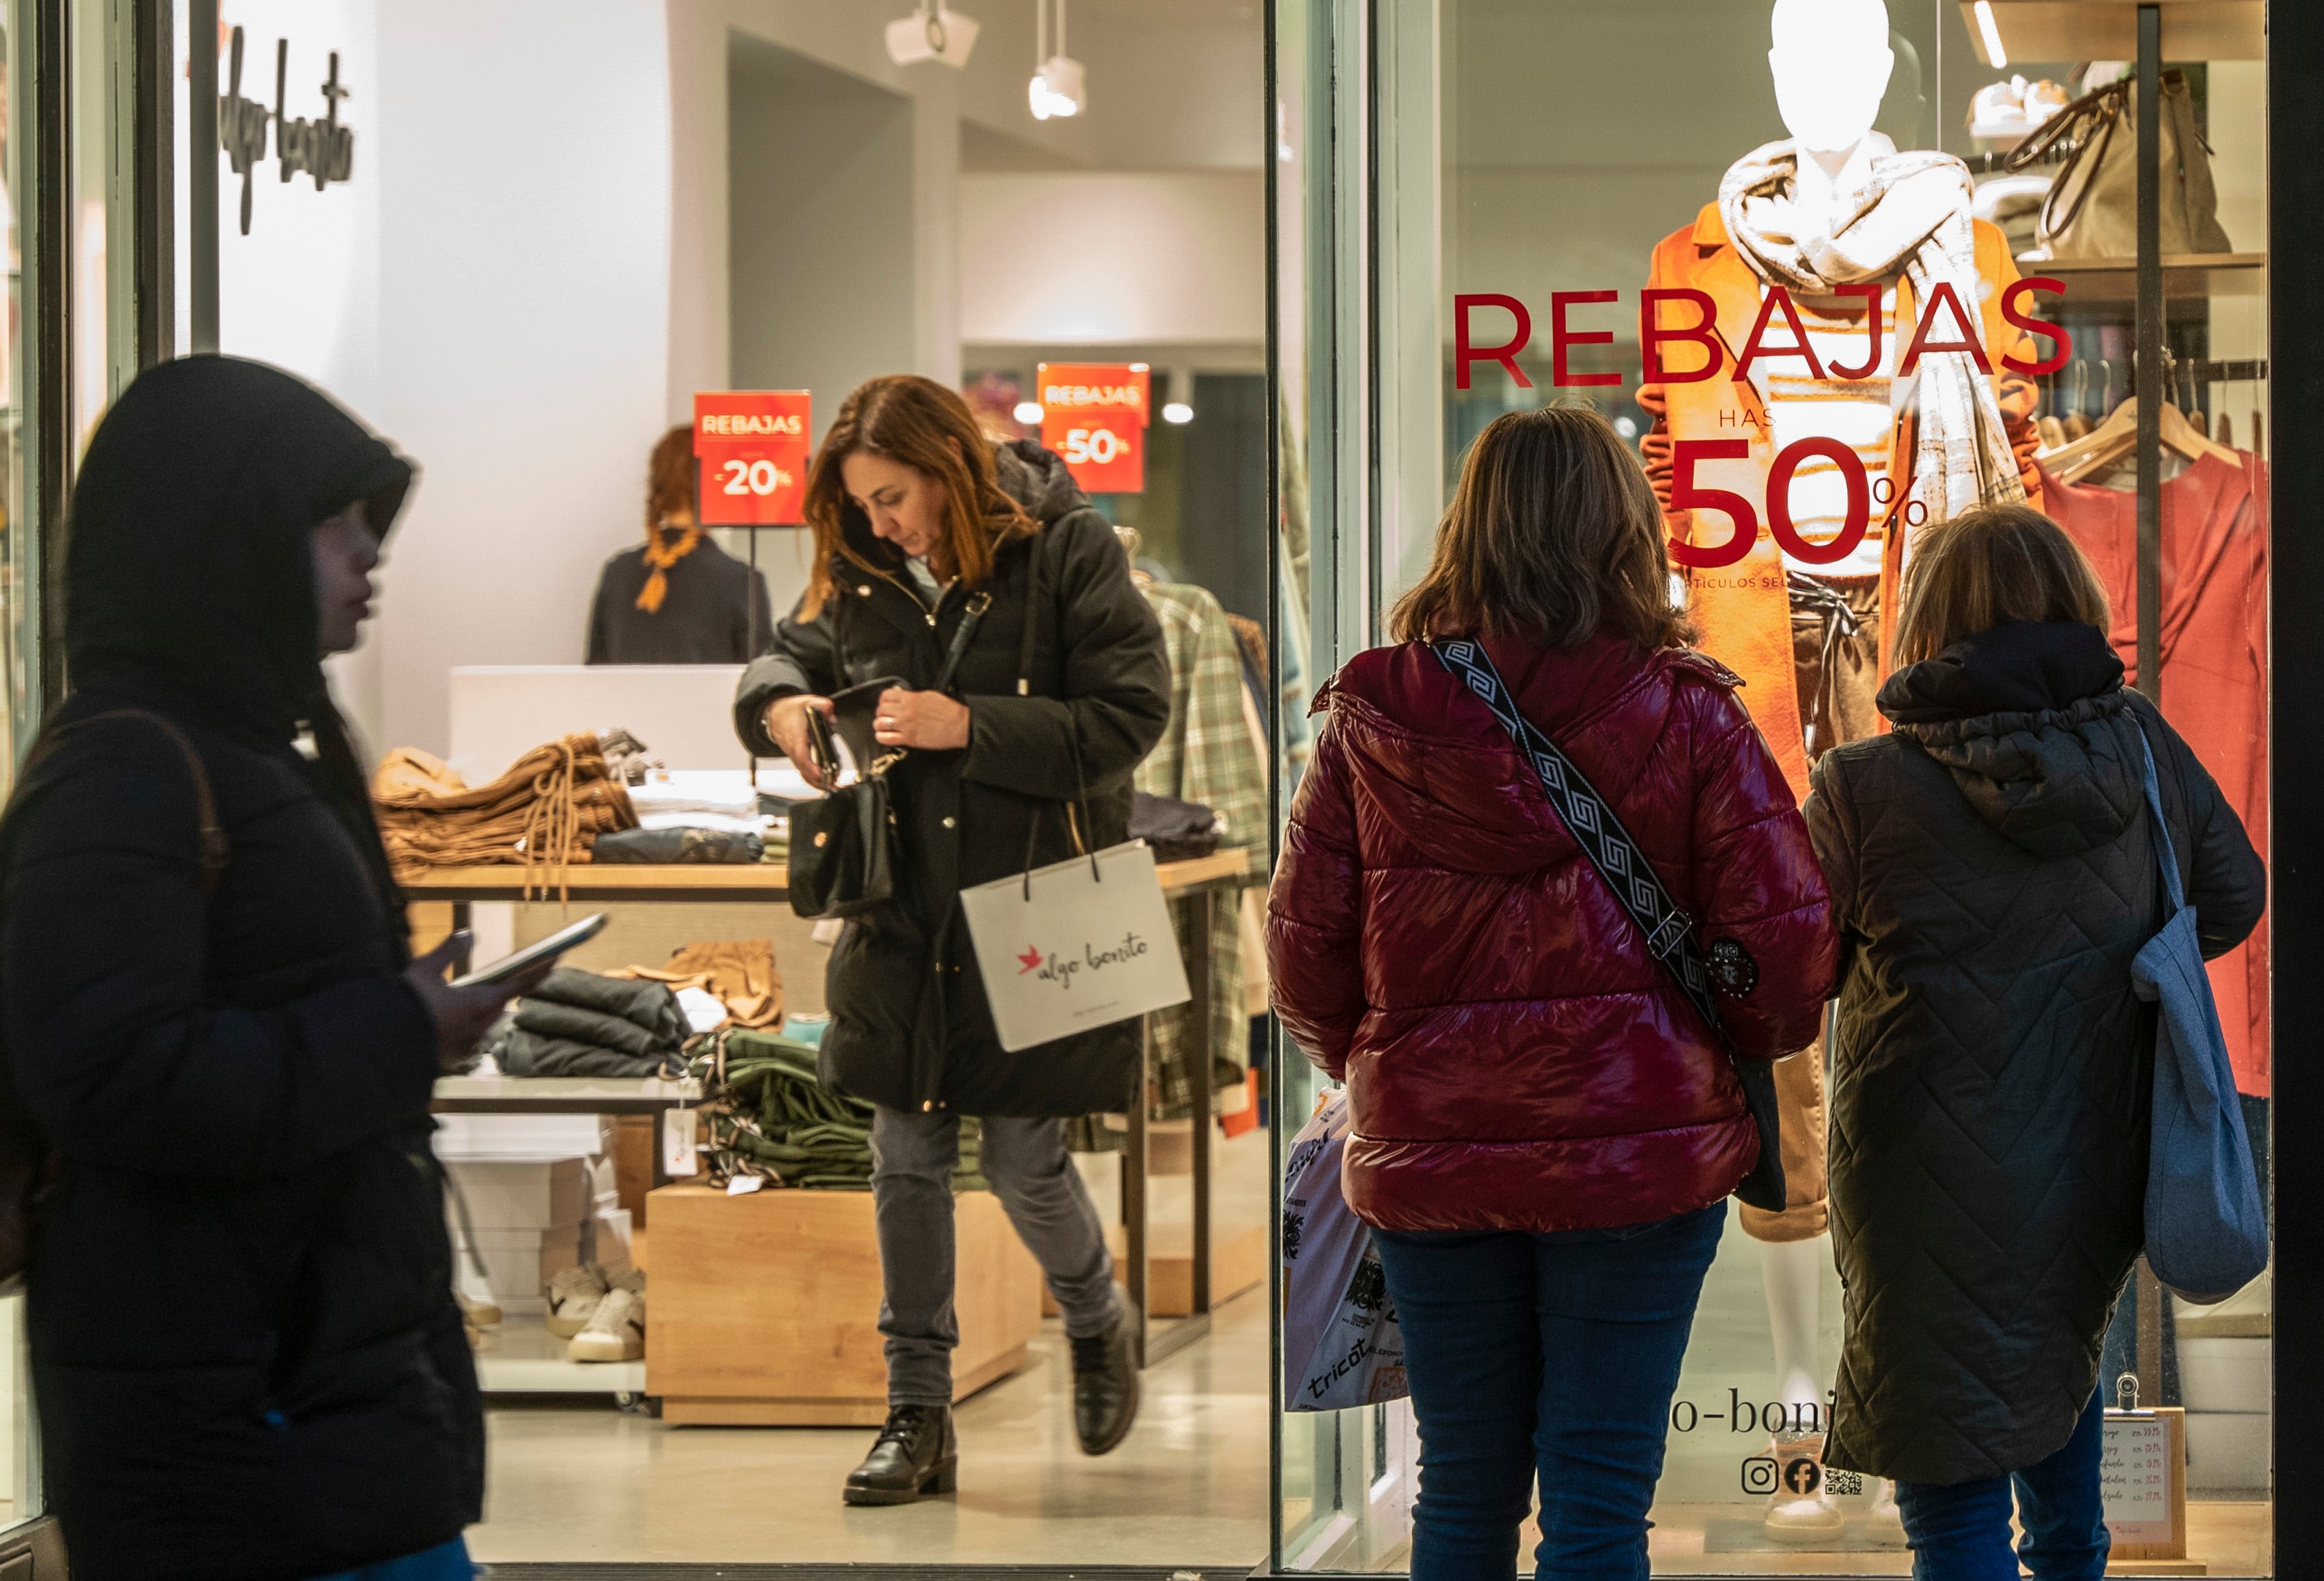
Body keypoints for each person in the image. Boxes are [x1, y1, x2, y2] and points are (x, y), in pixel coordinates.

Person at [0, 357, 552, 1581]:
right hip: (237, 1426)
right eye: (335, 522)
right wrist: (398, 1030)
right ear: (228, 538)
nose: (369, 555)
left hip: (305, 1399)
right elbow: (110, 1071)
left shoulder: (246, 751)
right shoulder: (126, 769)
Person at [1267, 403, 1837, 1580]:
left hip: (1430, 1150)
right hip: (1638, 1153)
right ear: (1622, 530)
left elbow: (1301, 957)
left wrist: (1377, 1060)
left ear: (1465, 530)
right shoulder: (1687, 709)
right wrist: (1708, 1046)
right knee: (1597, 1495)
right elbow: (1784, 954)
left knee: (1461, 1489)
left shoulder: (1373, 718)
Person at [734, 373, 1170, 1505]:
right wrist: (779, 701)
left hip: (1035, 907)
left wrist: (970, 724)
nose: (879, 522)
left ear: (945, 469)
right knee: (903, 1158)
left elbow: (1131, 714)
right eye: (862, 504)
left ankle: (1093, 1315)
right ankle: (915, 1412)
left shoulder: (1068, 548)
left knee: (1026, 1157)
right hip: (900, 906)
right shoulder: (861, 567)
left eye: (891, 497)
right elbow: (786, 654)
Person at [1808, 505, 2264, 1581]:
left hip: (1921, 1174)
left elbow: (1796, 972)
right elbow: (2232, 895)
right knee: (2057, 1421)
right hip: (2091, 1146)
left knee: (1952, 1510)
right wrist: (2113, 959)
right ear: (2074, 605)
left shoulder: (1862, 785)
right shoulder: (2138, 745)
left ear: (1921, 617)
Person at [584, 424, 772, 663]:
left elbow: (593, 674)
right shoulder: (741, 579)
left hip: (620, 703)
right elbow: (759, 682)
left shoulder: (617, 572)